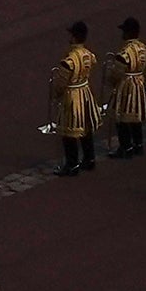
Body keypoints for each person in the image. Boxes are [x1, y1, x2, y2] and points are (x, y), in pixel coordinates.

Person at [51, 21, 99, 176]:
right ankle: (89, 159)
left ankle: (72, 164)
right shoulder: (87, 54)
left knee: (68, 130)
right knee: (86, 128)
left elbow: (60, 83)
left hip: (72, 96)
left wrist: (56, 94)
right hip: (85, 92)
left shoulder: (69, 60)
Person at [108, 18, 146, 160]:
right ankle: (138, 145)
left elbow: (116, 74)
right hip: (139, 82)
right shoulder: (144, 48)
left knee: (122, 116)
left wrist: (111, 80)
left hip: (126, 85)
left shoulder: (124, 53)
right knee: (136, 115)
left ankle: (125, 147)